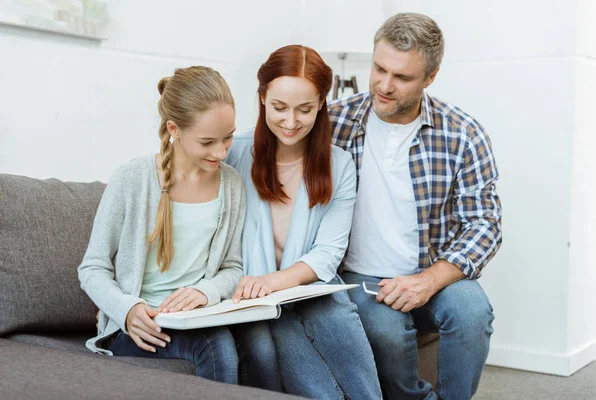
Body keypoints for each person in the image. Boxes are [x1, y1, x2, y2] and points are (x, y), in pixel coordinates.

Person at [329, 13, 502, 400]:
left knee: (473, 313)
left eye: (402, 77)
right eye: (378, 68)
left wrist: (429, 281)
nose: (384, 86)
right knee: (386, 331)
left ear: (430, 77)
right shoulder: (333, 123)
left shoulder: (463, 134)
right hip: (360, 277)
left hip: (432, 273)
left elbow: (485, 224)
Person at [225, 45, 382, 399]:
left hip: (309, 287)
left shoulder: (338, 164)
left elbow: (328, 252)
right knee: (319, 388)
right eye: (279, 108)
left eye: (305, 109)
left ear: (322, 105)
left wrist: (274, 281)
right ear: (262, 97)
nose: (291, 122)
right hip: (257, 301)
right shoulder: (233, 153)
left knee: (342, 330)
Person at [78, 66, 246, 384]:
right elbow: (92, 268)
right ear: (174, 128)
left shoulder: (232, 184)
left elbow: (233, 268)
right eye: (208, 141)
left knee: (258, 344)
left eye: (228, 138)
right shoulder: (132, 179)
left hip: (198, 318)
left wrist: (205, 290)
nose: (222, 152)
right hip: (139, 326)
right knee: (217, 346)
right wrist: (126, 310)